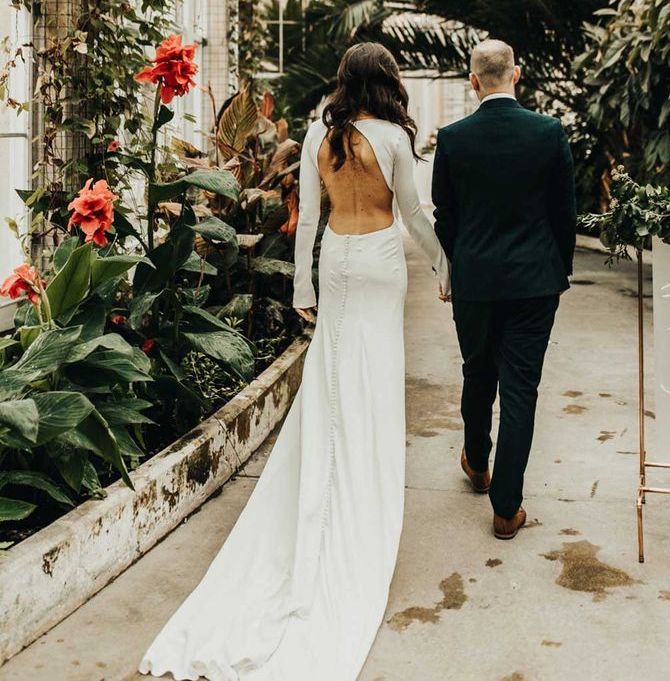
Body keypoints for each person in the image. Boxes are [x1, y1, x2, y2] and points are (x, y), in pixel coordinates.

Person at [139, 41, 449, 681]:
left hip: (336, 261)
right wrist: (446, 264)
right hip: (380, 264)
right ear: (386, 82)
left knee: (333, 376)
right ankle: (365, 478)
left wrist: (303, 291)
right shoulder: (392, 136)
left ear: (343, 81)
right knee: (376, 375)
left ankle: (326, 472)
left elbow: (305, 223)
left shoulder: (319, 136)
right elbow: (414, 215)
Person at [431, 38, 576, 541]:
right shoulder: (548, 132)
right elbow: (565, 213)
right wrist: (559, 268)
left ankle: (476, 459)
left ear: (474, 82)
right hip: (535, 283)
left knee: (478, 371)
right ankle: (506, 508)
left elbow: (444, 217)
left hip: (475, 283)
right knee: (521, 389)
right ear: (517, 75)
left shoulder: (452, 140)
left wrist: (462, 261)